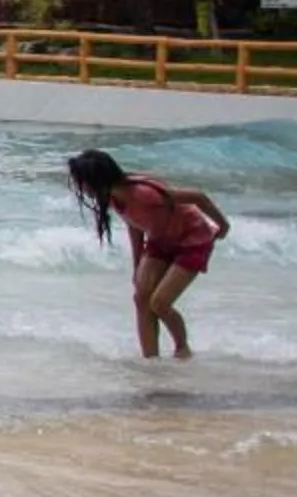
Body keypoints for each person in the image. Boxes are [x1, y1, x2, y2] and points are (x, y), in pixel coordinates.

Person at [67, 148, 231, 359]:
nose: (79, 187)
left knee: (160, 303)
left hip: (192, 239)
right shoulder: (113, 196)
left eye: (81, 181)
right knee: (141, 297)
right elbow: (135, 224)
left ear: (96, 179)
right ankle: (150, 360)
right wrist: (137, 264)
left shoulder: (144, 194)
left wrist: (223, 226)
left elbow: (199, 197)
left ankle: (182, 348)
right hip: (160, 240)